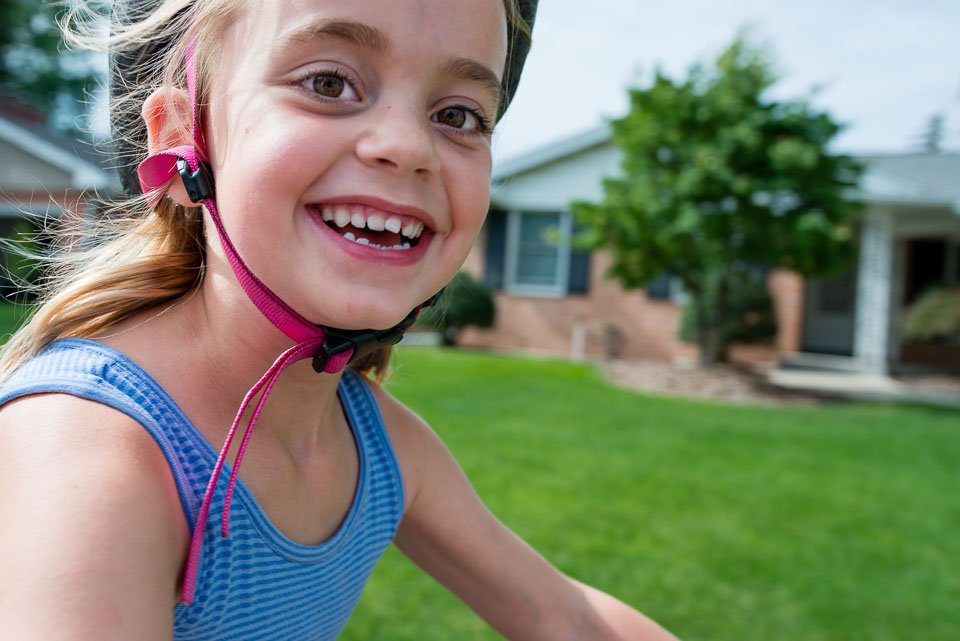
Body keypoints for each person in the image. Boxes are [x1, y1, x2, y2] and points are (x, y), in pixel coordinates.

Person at [0, 1, 680, 639]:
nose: (407, 145)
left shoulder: (371, 443)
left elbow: (565, 615)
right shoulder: (91, 452)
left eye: (460, 115)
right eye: (328, 82)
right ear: (184, 138)